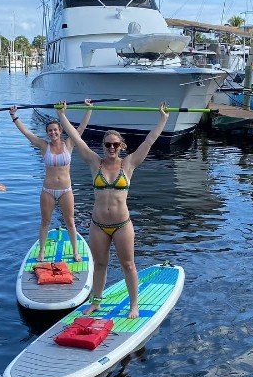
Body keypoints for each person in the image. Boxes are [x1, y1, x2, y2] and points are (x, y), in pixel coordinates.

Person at [56, 101, 169, 319]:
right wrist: (62, 115)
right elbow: (77, 140)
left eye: (115, 145)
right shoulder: (94, 163)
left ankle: (134, 305)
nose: (111, 148)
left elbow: (149, 141)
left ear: (121, 146)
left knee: (128, 265)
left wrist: (163, 119)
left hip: (122, 225)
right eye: (108, 144)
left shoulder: (129, 164)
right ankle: (96, 302)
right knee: (99, 265)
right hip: (98, 225)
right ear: (103, 145)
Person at [8, 99, 93, 261]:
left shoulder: (69, 143)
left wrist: (89, 109)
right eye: (49, 131)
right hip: (48, 190)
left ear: (60, 130)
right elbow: (26, 133)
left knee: (70, 221)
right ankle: (41, 252)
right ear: (47, 133)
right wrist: (14, 116)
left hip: (66, 190)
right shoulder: (43, 145)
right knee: (45, 222)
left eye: (55, 130)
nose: (52, 133)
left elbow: (81, 128)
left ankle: (75, 252)